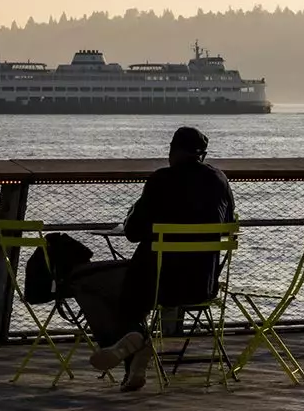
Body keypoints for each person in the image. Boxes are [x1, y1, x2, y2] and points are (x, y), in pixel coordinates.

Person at [81, 125, 236, 392]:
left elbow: (132, 233)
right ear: (203, 154)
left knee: (115, 294)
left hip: (156, 285)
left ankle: (137, 339)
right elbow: (229, 223)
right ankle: (136, 348)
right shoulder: (219, 180)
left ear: (173, 152)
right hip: (202, 284)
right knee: (132, 291)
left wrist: (134, 212)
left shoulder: (161, 180)